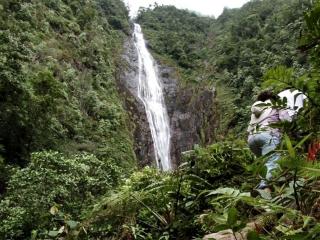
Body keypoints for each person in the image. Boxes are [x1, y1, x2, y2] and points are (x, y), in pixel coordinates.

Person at [247, 91, 291, 190]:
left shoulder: (256, 111)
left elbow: (248, 128)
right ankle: (266, 191)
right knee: (271, 163)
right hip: (268, 134)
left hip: (251, 139)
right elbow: (287, 120)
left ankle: (264, 186)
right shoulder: (276, 105)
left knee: (264, 165)